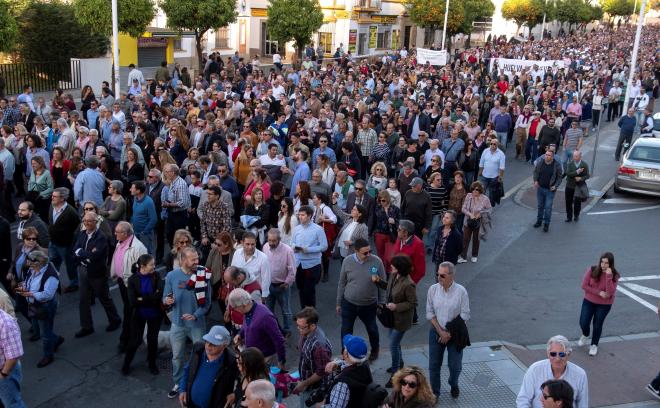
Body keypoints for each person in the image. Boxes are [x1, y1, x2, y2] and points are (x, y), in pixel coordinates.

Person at [163, 247, 212, 399]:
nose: (197, 262)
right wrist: (167, 300)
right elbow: (165, 296)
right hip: (177, 323)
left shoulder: (203, 275)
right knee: (177, 356)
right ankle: (178, 383)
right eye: (193, 260)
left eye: (197, 259)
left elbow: (208, 302)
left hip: (196, 324)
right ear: (183, 260)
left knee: (201, 355)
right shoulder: (172, 275)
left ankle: (197, 380)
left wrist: (195, 315)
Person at [72, 211, 122, 338]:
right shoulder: (82, 234)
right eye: (84, 221)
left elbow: (95, 256)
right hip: (83, 271)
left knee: (104, 298)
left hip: (97, 273)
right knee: (83, 300)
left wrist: (82, 253)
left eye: (90, 221)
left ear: (96, 222)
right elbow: (75, 250)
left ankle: (115, 320)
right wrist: (85, 254)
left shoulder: (101, 237)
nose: (87, 223)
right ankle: (86, 327)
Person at [336, 238, 386, 362]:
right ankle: (345, 353)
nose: (368, 255)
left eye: (370, 251)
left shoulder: (376, 261)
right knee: (346, 330)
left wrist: (382, 302)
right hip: (349, 303)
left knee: (372, 329)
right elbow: (342, 282)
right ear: (356, 251)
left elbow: (384, 285)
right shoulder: (347, 261)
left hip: (369, 305)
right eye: (365, 253)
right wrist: (338, 302)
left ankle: (375, 350)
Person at [426, 262, 470, 399]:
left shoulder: (461, 291)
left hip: (455, 333)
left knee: (455, 366)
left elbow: (465, 314)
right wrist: (441, 332)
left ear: (452, 275)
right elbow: (429, 313)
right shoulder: (433, 289)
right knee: (434, 365)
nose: (439, 277)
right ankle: (435, 393)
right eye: (438, 274)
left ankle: (453, 383)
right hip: (436, 331)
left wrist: (448, 334)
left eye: (443, 275)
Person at [372, 254, 417, 386]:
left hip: (401, 320)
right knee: (395, 343)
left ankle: (396, 374)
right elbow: (390, 288)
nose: (390, 266)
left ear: (399, 268)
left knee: (393, 344)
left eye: (393, 266)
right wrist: (378, 281)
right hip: (391, 317)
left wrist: (396, 306)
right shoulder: (394, 275)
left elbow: (413, 303)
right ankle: (399, 363)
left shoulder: (409, 284)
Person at [15, 250, 63, 368]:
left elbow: (47, 295)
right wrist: (23, 287)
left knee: (44, 333)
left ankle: (48, 355)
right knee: (45, 329)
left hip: (45, 306)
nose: (27, 262)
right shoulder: (33, 270)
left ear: (38, 262)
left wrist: (30, 294)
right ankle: (56, 340)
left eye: (30, 260)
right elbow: (28, 282)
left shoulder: (51, 275)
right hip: (35, 305)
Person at [516, 335, 588, 408]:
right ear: (548, 354)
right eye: (553, 354)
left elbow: (582, 404)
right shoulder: (535, 369)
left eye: (562, 354)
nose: (557, 358)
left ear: (568, 354)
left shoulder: (580, 374)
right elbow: (523, 399)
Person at [122, 254, 163, 375]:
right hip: (139, 315)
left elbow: (159, 294)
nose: (154, 266)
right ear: (143, 267)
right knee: (135, 341)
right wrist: (151, 297)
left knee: (152, 340)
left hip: (155, 314)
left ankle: (152, 363)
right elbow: (133, 302)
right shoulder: (133, 279)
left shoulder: (156, 275)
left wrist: (142, 299)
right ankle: (126, 363)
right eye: (152, 264)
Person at [110, 221, 148, 352]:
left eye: (117, 232)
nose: (114, 234)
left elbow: (144, 269)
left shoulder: (139, 247)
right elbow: (117, 259)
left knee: (129, 312)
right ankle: (131, 338)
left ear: (125, 234)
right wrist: (115, 272)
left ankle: (127, 341)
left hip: (132, 285)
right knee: (129, 310)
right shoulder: (120, 243)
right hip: (122, 282)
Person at [179, 325, 238, 408]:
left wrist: (235, 394)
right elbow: (187, 369)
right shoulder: (198, 347)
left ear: (224, 345)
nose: (208, 345)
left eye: (214, 344)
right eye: (207, 340)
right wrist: (182, 389)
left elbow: (246, 379)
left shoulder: (232, 361)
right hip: (191, 404)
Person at [228, 288, 287, 367]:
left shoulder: (265, 316)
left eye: (235, 307)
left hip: (266, 358)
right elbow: (246, 325)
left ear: (243, 305)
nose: (235, 310)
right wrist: (240, 334)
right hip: (255, 357)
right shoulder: (247, 311)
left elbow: (278, 339)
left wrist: (281, 361)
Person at [577, 252, 619, 356]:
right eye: (602, 262)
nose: (603, 265)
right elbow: (584, 285)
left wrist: (608, 276)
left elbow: (610, 293)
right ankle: (585, 335)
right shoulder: (592, 270)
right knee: (583, 322)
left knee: (597, 324)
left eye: (606, 263)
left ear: (611, 264)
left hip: (604, 305)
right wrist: (599, 292)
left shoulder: (614, 275)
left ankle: (594, 345)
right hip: (589, 301)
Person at [292, 307, 333, 408]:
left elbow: (322, 371)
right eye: (298, 326)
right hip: (305, 383)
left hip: (313, 388)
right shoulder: (306, 332)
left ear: (313, 326)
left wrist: (303, 384)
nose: (299, 329)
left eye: (302, 327)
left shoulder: (319, 346)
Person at [290, 205, 328, 308]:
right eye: (299, 215)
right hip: (299, 264)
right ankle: (304, 313)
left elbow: (324, 246)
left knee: (309, 291)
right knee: (301, 290)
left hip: (312, 265)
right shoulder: (296, 229)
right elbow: (292, 243)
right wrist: (295, 247)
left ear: (309, 216)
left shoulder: (318, 229)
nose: (300, 217)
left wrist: (308, 250)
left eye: (303, 215)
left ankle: (311, 315)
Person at [322, 334, 373, 408]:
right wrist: (336, 364)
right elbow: (349, 365)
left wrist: (321, 404)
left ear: (345, 354)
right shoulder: (364, 366)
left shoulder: (343, 383)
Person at [262, 229, 296, 337]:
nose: (271, 243)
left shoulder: (288, 250)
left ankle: (287, 330)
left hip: (282, 286)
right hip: (268, 285)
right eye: (269, 240)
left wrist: (287, 283)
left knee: (286, 310)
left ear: (279, 240)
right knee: (268, 310)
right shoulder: (265, 246)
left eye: (274, 241)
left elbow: (292, 270)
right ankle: (272, 329)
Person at [47, 188, 80, 292]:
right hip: (53, 243)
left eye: (54, 196)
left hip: (65, 245)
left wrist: (71, 243)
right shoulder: (52, 206)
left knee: (70, 265)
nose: (52, 198)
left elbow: (77, 229)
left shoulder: (71, 212)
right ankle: (54, 283)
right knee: (52, 264)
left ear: (62, 198)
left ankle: (74, 283)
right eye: (52, 195)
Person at [458, 181, 491, 264]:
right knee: (465, 239)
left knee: (476, 239)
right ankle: (463, 256)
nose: (474, 191)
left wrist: (480, 213)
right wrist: (470, 214)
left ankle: (474, 255)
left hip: (478, 222)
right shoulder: (468, 196)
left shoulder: (485, 199)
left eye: (476, 190)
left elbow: (489, 209)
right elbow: (463, 208)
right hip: (468, 221)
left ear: (480, 190)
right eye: (472, 189)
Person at [231, 231, 271, 299]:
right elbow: (232, 272)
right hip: (238, 293)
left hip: (254, 294)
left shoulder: (263, 258)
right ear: (242, 243)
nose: (250, 247)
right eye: (247, 244)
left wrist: (263, 296)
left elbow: (266, 279)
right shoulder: (237, 253)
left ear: (256, 242)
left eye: (253, 244)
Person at [0, 307, 26, 408]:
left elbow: (14, 356)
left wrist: (2, 375)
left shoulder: (4, 322)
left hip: (5, 372)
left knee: (13, 404)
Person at [533, 149, 563, 232]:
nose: (547, 156)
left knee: (548, 207)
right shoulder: (541, 162)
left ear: (552, 157)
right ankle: (539, 221)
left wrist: (555, 186)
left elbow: (560, 177)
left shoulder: (556, 165)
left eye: (549, 155)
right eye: (546, 154)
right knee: (540, 206)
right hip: (540, 188)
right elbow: (535, 172)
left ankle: (546, 224)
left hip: (550, 190)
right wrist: (535, 181)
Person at [163, 163, 191, 246]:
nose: (165, 174)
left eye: (167, 172)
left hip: (179, 215)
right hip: (172, 213)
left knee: (179, 237)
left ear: (173, 172)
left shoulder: (180, 184)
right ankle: (175, 252)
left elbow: (182, 202)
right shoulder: (173, 181)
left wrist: (169, 205)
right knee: (169, 234)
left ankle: (180, 254)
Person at [130, 181, 157, 255]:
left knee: (147, 254)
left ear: (138, 191)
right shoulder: (135, 199)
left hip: (145, 234)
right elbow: (134, 213)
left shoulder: (148, 202)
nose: (130, 189)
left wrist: (144, 232)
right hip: (135, 232)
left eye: (132, 188)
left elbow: (153, 219)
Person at [564, 151, 589, 223]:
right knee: (568, 202)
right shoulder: (570, 164)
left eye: (576, 156)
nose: (574, 158)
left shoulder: (584, 165)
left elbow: (587, 175)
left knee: (577, 203)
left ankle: (576, 215)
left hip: (578, 187)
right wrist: (577, 172)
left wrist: (581, 178)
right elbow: (568, 173)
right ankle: (569, 217)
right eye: (574, 156)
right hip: (569, 186)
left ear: (580, 157)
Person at [477, 138, 505, 205]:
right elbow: (481, 162)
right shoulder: (485, 151)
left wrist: (500, 177)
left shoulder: (501, 154)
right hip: (484, 176)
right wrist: (480, 171)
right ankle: (480, 205)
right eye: (491, 144)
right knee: (481, 191)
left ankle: (489, 206)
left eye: (494, 144)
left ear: (497, 145)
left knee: (492, 193)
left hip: (494, 177)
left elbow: (502, 167)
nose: (492, 145)